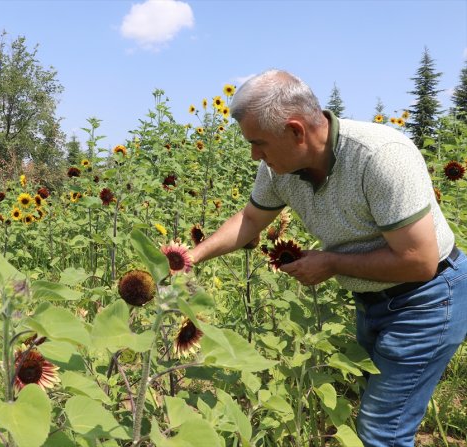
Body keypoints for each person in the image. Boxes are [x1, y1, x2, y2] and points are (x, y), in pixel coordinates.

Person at [189, 69, 467, 447]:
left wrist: (332, 263)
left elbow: (419, 261)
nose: (254, 154)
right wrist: (191, 257)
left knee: (383, 429)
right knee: (378, 411)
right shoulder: (278, 168)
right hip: (372, 300)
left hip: (428, 299)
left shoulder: (380, 156)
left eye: (258, 143)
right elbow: (251, 219)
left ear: (296, 131)